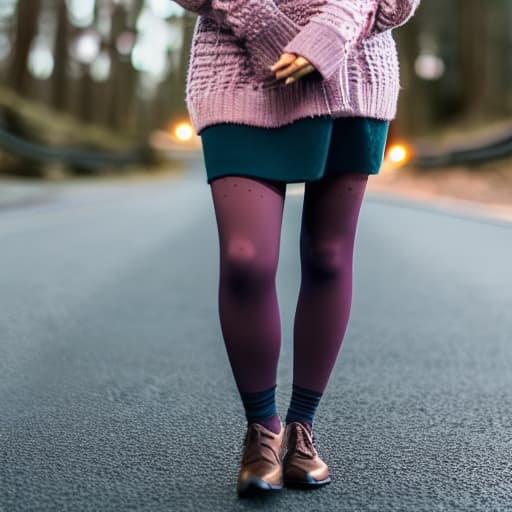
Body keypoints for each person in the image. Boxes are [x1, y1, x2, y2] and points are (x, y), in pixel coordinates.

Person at [173, 0, 421, 497]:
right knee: (246, 258)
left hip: (353, 69)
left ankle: (300, 428)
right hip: (237, 66)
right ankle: (262, 431)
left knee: (329, 256)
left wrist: (333, 29)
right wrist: (262, 22)